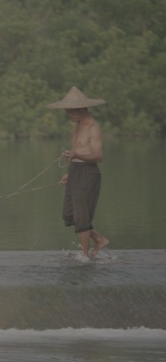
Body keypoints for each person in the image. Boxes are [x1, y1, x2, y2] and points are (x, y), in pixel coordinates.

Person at [46, 87, 110, 258]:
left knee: (82, 218)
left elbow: (98, 156)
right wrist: (69, 173)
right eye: (67, 111)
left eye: (71, 111)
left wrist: (76, 155)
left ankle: (84, 256)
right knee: (68, 214)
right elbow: (76, 153)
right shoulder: (78, 126)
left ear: (82, 109)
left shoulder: (92, 127)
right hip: (75, 170)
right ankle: (99, 239)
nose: (69, 114)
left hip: (88, 173)